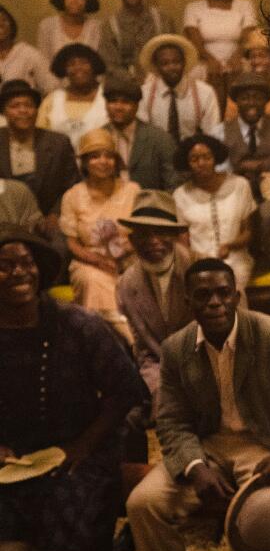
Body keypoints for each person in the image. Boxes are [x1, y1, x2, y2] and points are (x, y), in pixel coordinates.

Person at [126, 258, 270, 551]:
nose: (214, 303)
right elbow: (172, 420)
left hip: (267, 445)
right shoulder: (176, 348)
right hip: (208, 447)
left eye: (223, 293)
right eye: (203, 295)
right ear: (188, 302)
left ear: (237, 296)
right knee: (142, 503)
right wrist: (195, 466)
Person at [0, 225, 146, 551]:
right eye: (5, 264)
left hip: (81, 456)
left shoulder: (78, 325)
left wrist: (81, 446)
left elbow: (126, 390)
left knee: (68, 510)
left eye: (27, 262)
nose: (19, 272)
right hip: (12, 461)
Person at [116, 191, 192, 415]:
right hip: (161, 371)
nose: (152, 241)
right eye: (143, 234)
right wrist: (158, 387)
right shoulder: (126, 285)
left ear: (175, 235)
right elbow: (144, 350)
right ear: (131, 240)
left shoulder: (202, 269)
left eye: (160, 232)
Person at [59, 128, 140, 339]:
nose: (103, 162)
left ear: (116, 161)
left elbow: (142, 232)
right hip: (89, 262)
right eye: (95, 157)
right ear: (84, 163)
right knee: (92, 280)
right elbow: (72, 243)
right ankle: (129, 340)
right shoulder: (72, 196)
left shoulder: (132, 190)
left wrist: (124, 255)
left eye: (108, 156)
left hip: (131, 258)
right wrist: (98, 260)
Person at [172, 134, 256, 290]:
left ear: (215, 157)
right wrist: (194, 256)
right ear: (187, 162)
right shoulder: (180, 195)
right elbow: (182, 241)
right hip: (198, 262)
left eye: (207, 157)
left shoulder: (240, 185)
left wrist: (230, 245)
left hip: (235, 259)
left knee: (231, 288)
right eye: (194, 159)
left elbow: (248, 233)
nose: (201, 163)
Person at [0, 80, 79, 241]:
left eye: (29, 105)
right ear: (4, 112)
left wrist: (56, 214)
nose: (23, 111)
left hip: (48, 219)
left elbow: (72, 184)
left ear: (36, 110)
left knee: (60, 249)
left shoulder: (58, 142)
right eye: (15, 106)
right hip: (5, 218)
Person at [184, 0, 257, 107]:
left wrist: (236, 57)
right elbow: (194, 39)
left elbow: (249, 35)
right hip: (205, 61)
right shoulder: (193, 8)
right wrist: (210, 60)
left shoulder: (245, 5)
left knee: (247, 78)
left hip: (238, 58)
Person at [102, 71, 180, 191]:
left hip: (149, 206)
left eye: (125, 102)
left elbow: (173, 185)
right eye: (113, 101)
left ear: (137, 106)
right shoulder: (98, 136)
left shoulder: (160, 139)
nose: (118, 107)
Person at [137, 33, 222, 142]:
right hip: (156, 152)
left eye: (176, 62)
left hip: (192, 153)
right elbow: (143, 136)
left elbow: (212, 134)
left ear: (184, 62)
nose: (172, 67)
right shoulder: (144, 94)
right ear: (156, 66)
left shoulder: (204, 92)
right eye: (165, 63)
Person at [98, 0, 175, 82]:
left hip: (163, 80)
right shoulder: (110, 26)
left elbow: (173, 52)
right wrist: (133, 79)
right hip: (127, 86)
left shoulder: (162, 18)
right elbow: (109, 64)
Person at [37, 43, 109, 150]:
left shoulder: (108, 96)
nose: (78, 68)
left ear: (94, 66)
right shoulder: (52, 99)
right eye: (71, 64)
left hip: (99, 162)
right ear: (64, 70)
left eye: (84, 63)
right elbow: (40, 135)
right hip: (57, 163)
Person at [36, 0, 102, 60]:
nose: (74, 0)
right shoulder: (47, 25)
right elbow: (43, 60)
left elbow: (100, 60)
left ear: (88, 1)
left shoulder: (97, 27)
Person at [0, 4, 55, 94]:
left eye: (4, 20)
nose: (0, 24)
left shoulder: (29, 53)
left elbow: (51, 86)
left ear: (12, 25)